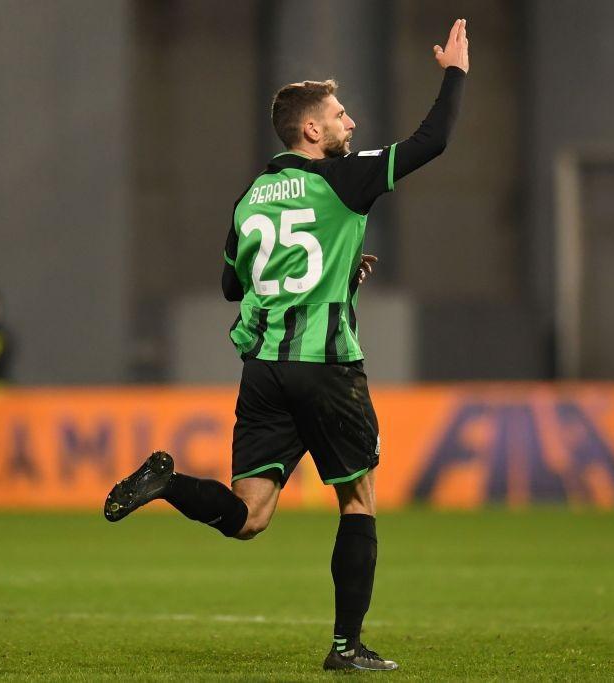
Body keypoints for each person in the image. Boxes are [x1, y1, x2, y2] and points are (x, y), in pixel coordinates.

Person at [104, 18, 469, 671]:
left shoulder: (251, 197)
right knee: (358, 498)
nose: (350, 122)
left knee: (249, 515)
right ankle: (344, 646)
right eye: (338, 114)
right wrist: (455, 72)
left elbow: (229, 283)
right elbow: (432, 140)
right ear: (311, 130)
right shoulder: (345, 178)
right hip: (326, 368)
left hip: (264, 372)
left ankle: (169, 483)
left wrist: (334, 267)